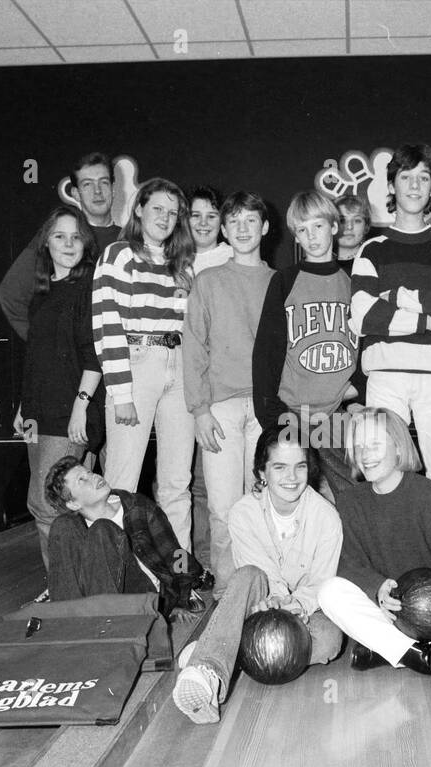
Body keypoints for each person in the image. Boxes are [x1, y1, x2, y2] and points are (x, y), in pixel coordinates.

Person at [173, 428, 344, 723]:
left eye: (299, 466)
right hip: (260, 597)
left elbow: (321, 579)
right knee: (247, 574)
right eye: (279, 467)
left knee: (329, 642)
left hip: (305, 606)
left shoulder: (327, 516)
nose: (291, 477)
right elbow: (259, 570)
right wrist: (275, 600)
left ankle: (217, 648)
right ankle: (208, 671)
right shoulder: (243, 512)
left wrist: (297, 605)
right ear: (262, 472)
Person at [318, 408, 431, 679]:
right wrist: (377, 587)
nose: (365, 455)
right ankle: (426, 659)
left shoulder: (430, 496)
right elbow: (345, 563)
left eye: (374, 445)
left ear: (398, 448)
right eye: (359, 447)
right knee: (329, 592)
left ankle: (390, 652)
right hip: (392, 617)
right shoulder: (350, 501)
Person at [349, 144, 431, 509]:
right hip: (386, 375)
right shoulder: (371, 249)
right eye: (406, 177)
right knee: (383, 477)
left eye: (423, 178)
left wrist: (395, 295)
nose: (415, 186)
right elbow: (364, 316)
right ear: (392, 187)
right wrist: (425, 319)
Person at [92, 177, 197, 551]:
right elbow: (107, 325)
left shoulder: (182, 264)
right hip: (136, 366)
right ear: (138, 209)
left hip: (179, 366)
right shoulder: (119, 255)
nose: (165, 218)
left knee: (176, 482)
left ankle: (181, 575)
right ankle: (113, 575)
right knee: (122, 482)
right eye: (158, 209)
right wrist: (121, 393)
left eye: (173, 213)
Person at [183, 191, 275, 595]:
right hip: (219, 408)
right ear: (223, 230)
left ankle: (262, 588)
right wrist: (200, 410)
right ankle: (225, 591)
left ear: (265, 228)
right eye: (234, 221)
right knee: (222, 508)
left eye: (250, 221)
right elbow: (193, 347)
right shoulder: (208, 281)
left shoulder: (279, 282)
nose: (242, 229)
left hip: (266, 408)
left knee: (262, 504)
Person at [253, 190, 363, 501]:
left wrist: (358, 390)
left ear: (334, 226)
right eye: (302, 230)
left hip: (335, 414)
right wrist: (272, 417)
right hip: (293, 413)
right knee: (290, 496)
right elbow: (266, 354)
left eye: (317, 226)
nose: (311, 236)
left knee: (354, 496)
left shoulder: (355, 281)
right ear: (295, 237)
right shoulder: (285, 281)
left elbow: (367, 342)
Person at [15, 207, 104, 587]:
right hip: (38, 413)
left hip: (69, 412)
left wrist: (80, 407)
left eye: (75, 236)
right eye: (59, 236)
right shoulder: (42, 295)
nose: (68, 244)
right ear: (46, 243)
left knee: (47, 504)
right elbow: (38, 357)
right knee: (56, 505)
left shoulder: (89, 290)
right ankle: (74, 587)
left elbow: (94, 356)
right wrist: (23, 405)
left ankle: (65, 591)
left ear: (85, 243)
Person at [43, 456, 207, 615]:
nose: (94, 477)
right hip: (97, 604)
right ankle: (64, 623)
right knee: (61, 525)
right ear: (73, 503)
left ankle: (105, 627)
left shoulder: (137, 507)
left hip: (145, 599)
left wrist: (182, 596)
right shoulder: (74, 528)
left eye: (90, 472)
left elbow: (176, 554)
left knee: (103, 529)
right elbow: (69, 576)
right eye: (82, 480)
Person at [0, 153, 123, 341]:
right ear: (75, 193)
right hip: (72, 365)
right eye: (87, 184)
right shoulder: (57, 237)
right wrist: (44, 345)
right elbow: (11, 293)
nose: (97, 191)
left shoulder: (130, 240)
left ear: (113, 189)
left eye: (103, 182)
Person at [186, 185, 232, 572]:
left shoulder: (233, 256)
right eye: (195, 215)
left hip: (214, 387)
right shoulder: (174, 258)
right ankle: (186, 565)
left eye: (211, 215)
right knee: (173, 481)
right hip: (174, 377)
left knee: (206, 483)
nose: (202, 223)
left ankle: (211, 564)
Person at [334, 195, 369, 273]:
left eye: (357, 220)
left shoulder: (376, 263)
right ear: (332, 226)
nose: (349, 227)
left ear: (366, 226)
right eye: (342, 220)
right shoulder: (319, 264)